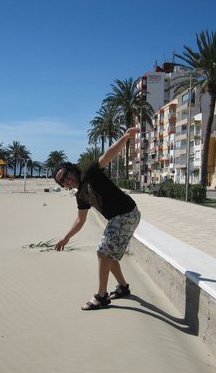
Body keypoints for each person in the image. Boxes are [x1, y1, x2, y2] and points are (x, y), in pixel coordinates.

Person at [53, 127, 141, 310]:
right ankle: (123, 287)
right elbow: (80, 221)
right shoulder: (80, 197)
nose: (67, 179)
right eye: (63, 180)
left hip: (127, 213)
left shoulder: (90, 173)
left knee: (102, 251)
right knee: (109, 255)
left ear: (72, 170)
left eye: (67, 174)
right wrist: (66, 238)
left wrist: (124, 138)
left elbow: (108, 155)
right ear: (63, 186)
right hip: (120, 217)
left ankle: (101, 296)